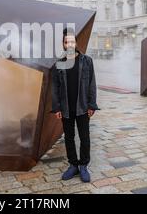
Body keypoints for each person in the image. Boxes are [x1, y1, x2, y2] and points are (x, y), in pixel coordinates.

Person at [51, 28, 99, 183]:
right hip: (66, 108)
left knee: (85, 138)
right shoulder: (59, 63)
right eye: (66, 42)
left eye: (72, 41)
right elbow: (55, 87)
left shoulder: (87, 61)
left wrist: (92, 104)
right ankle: (73, 165)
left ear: (75, 42)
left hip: (83, 107)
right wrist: (57, 107)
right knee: (69, 138)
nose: (69, 44)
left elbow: (92, 83)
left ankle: (84, 165)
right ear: (64, 44)